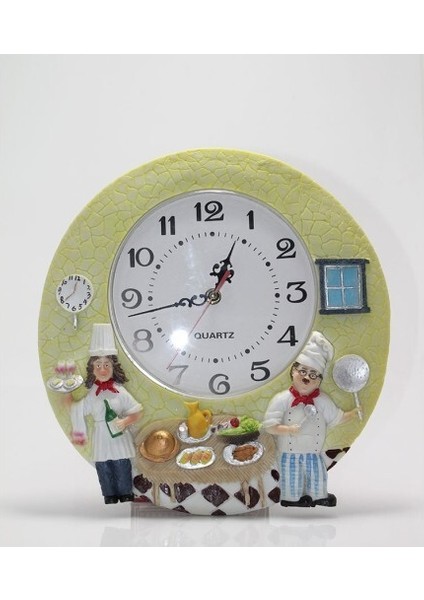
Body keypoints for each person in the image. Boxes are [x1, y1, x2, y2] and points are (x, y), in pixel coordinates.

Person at [263, 331, 360, 507]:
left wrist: (352, 414)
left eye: (313, 374)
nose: (307, 377)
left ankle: (318, 496)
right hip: (289, 451)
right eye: (303, 371)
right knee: (291, 475)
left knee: (317, 474)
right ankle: (291, 498)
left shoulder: (322, 400)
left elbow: (335, 417)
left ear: (319, 380)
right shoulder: (282, 399)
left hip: (313, 451)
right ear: (293, 371)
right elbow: (270, 426)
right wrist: (288, 430)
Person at [66, 324, 143, 504]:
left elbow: (137, 412)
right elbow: (80, 409)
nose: (102, 369)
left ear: (113, 367)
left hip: (118, 436)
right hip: (101, 436)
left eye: (106, 365)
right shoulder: (93, 394)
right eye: (98, 365)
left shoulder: (120, 391)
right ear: (92, 369)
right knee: (103, 465)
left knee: (121, 463)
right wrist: (67, 396)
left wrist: (125, 422)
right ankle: (109, 493)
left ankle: (125, 492)